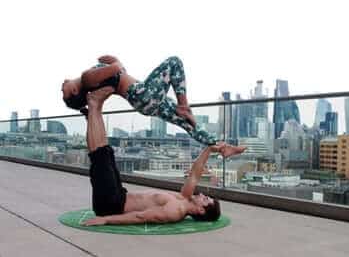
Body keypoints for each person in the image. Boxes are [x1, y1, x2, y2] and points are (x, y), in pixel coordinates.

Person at [82, 87, 226, 225]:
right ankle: (95, 110)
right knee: (106, 151)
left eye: (206, 199)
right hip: (120, 195)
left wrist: (106, 220)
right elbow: (195, 173)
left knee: (99, 156)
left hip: (111, 205)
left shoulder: (175, 211)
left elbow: (140, 217)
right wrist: (209, 149)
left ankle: (94, 105)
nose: (202, 195)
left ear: (201, 210)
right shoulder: (184, 198)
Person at [62, 55, 245, 157]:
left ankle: (222, 147)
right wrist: (116, 62)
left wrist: (114, 64)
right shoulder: (87, 78)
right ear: (75, 92)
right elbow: (117, 69)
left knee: (188, 124)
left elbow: (117, 74)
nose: (61, 87)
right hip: (142, 94)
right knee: (174, 62)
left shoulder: (91, 82)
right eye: (63, 91)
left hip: (143, 101)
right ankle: (184, 105)